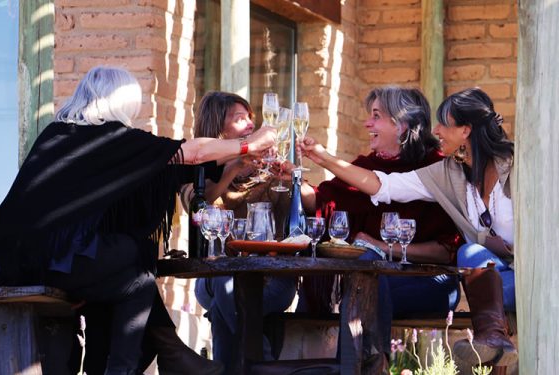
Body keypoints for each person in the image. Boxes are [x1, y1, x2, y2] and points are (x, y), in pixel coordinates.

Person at [0, 66, 276, 375]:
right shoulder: (109, 138)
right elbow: (190, 153)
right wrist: (250, 143)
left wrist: (232, 163)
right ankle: (165, 354)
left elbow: (165, 168)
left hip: (19, 261)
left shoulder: (61, 133)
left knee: (133, 276)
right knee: (135, 260)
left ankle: (161, 356)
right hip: (43, 262)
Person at [300, 87, 517, 367]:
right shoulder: (448, 172)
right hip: (494, 277)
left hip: (532, 277)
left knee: (467, 253)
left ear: (465, 130)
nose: (436, 130)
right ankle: (492, 341)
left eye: (444, 123)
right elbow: (385, 185)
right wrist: (324, 158)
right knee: (470, 253)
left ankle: (492, 341)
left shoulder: (516, 164)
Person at [288, 86, 462, 357]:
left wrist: (380, 246)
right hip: (366, 278)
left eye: (376, 116)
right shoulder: (365, 166)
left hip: (428, 280)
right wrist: (294, 178)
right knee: (341, 288)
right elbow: (322, 202)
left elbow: (445, 251)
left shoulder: (436, 169)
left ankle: (356, 368)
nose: (368, 123)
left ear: (402, 124)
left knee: (365, 288)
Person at [180, 91, 297, 374]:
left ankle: (229, 368)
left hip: (273, 279)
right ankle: (261, 363)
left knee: (225, 303)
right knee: (225, 279)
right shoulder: (195, 169)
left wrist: (295, 177)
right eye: (239, 119)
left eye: (250, 119)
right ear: (219, 127)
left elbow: (312, 203)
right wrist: (232, 167)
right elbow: (197, 205)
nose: (250, 125)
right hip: (212, 279)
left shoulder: (270, 170)